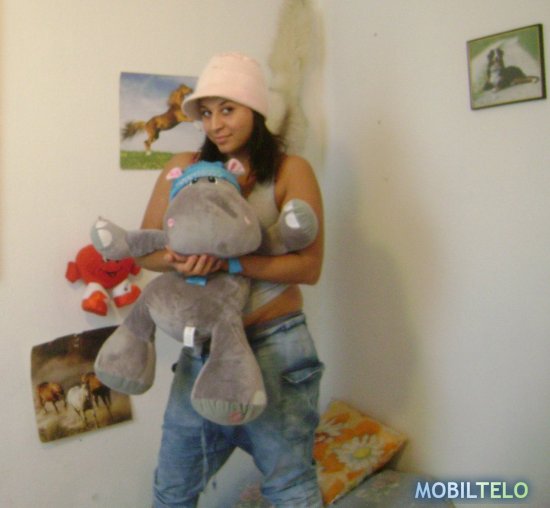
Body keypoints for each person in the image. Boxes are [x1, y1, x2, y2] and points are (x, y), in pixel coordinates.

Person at [139, 52, 324, 508]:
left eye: (227, 109)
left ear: (255, 110)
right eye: (206, 113)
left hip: (275, 345)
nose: (215, 125)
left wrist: (232, 264)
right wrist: (177, 260)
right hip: (202, 351)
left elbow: (308, 267)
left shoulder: (290, 170)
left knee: (290, 487)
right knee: (172, 489)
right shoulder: (184, 167)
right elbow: (147, 249)